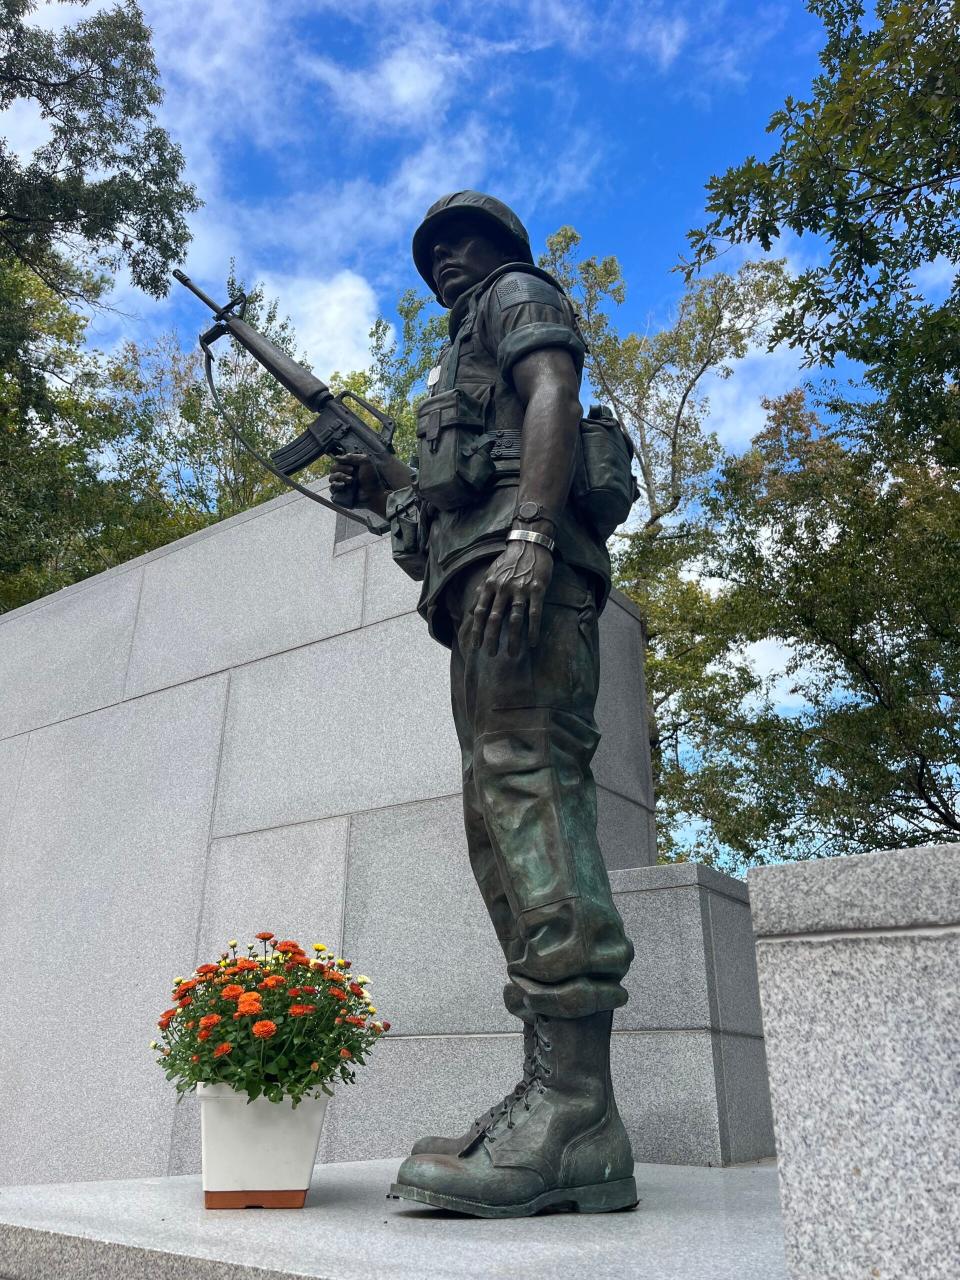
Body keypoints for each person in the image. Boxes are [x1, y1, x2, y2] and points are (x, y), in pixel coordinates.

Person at [329, 191, 637, 1218]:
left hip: (527, 577)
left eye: (461, 241)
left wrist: (535, 533)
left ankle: (578, 1108)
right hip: (482, 591)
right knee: (498, 823)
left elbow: (553, 388)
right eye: (432, 252)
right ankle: (556, 1096)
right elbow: (436, 511)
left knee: (528, 794)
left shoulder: (516, 294)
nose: (445, 259)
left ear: (501, 247)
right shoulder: (455, 357)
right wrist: (388, 494)